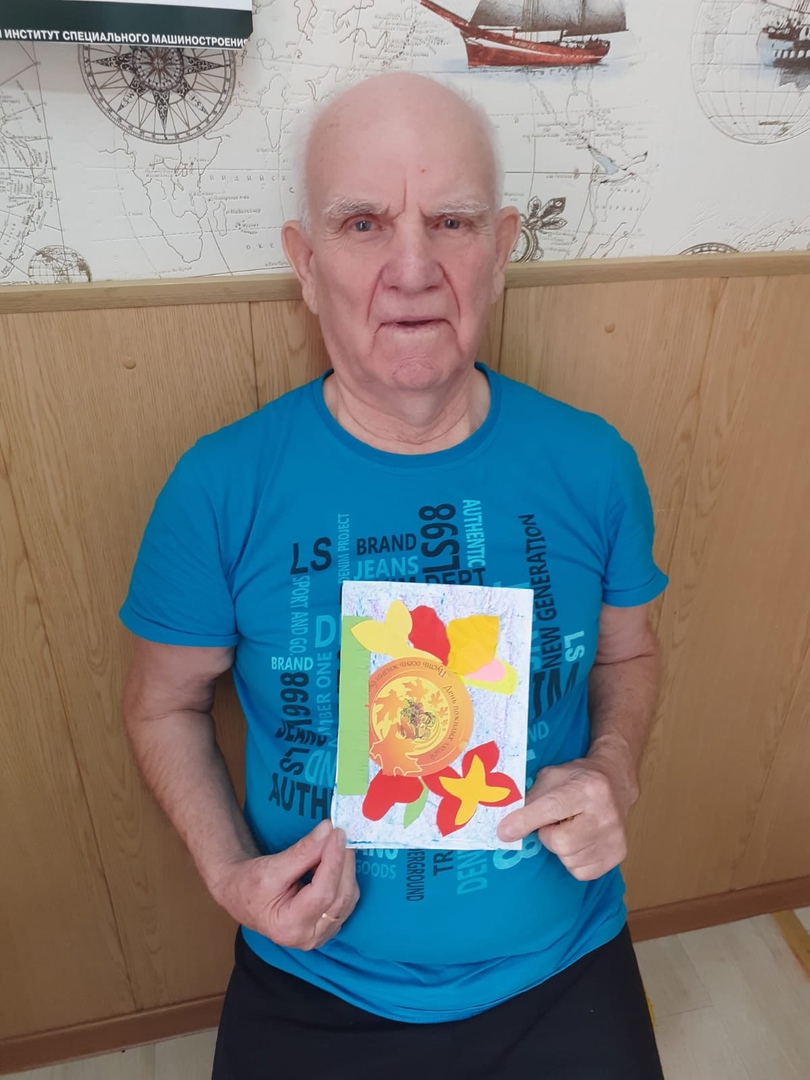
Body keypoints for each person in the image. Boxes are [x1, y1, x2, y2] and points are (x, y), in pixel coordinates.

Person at [120, 73, 668, 1079]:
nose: (413, 269)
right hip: (316, 977)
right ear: (305, 261)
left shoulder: (593, 463)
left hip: (561, 960)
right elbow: (163, 706)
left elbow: (629, 653)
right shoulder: (220, 485)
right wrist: (231, 875)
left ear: (501, 250)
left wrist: (615, 765)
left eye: (451, 221)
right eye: (364, 223)